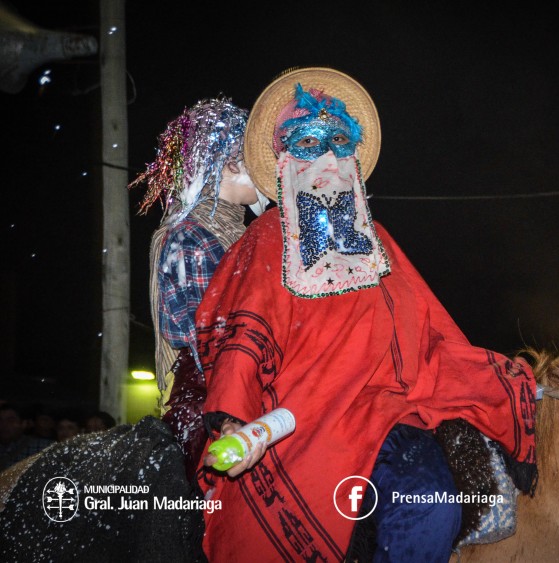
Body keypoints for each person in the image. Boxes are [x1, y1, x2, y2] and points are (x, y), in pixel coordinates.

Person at [195, 67, 538, 562]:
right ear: (285, 158)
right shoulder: (267, 239)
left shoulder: (378, 242)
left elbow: (429, 332)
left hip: (388, 410)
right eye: (308, 142)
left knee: (431, 502)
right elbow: (244, 337)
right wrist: (233, 419)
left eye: (338, 140)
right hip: (299, 414)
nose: (328, 155)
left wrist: (495, 378)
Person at [129, 97, 268, 476]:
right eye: (258, 160)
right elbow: (200, 337)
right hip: (213, 403)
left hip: (250, 389)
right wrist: (232, 413)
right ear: (230, 164)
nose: (269, 172)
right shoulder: (191, 236)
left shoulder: (249, 235)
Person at [0, 402, 55, 471]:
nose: (4, 425)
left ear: (23, 424)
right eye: (0, 420)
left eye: (11, 420)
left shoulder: (43, 447)